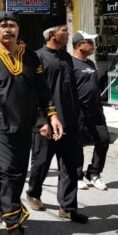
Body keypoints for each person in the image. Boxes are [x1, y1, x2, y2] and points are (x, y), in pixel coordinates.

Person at [0, 12, 63, 235]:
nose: (8, 29)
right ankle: (14, 228)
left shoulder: (30, 57)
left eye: (12, 25)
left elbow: (42, 90)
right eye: (3, 26)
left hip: (27, 125)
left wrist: (50, 116)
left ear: (19, 30)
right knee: (9, 173)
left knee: (18, 172)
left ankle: (1, 205)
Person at [25, 18, 87, 222]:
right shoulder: (36, 57)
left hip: (68, 120)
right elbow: (32, 92)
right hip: (46, 122)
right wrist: (41, 120)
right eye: (63, 30)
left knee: (69, 164)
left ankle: (68, 207)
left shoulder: (67, 58)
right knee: (41, 162)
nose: (67, 33)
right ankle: (33, 193)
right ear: (51, 34)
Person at [72, 31, 111, 191]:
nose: (94, 46)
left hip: (95, 111)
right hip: (78, 112)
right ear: (80, 45)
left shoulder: (91, 64)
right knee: (77, 145)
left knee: (104, 140)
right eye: (90, 43)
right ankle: (77, 175)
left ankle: (94, 173)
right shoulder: (70, 64)